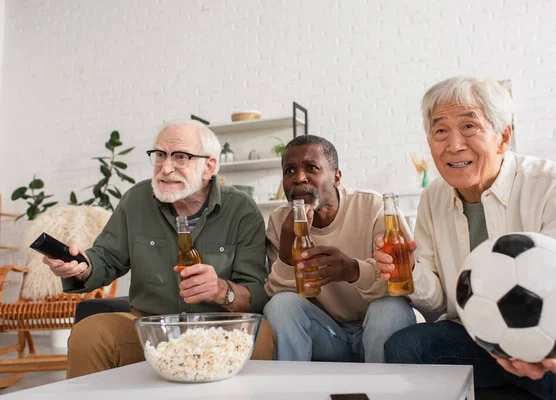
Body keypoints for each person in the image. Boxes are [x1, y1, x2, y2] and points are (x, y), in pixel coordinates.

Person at [375, 76, 556, 399]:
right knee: (406, 345)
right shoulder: (433, 198)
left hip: (543, 339)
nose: (454, 145)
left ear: (503, 137)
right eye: (440, 131)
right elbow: (438, 303)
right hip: (472, 335)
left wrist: (551, 346)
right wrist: (410, 272)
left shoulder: (552, 186)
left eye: (470, 127)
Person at [43, 119, 273, 378]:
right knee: (90, 332)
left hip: (218, 330)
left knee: (262, 335)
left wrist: (222, 291)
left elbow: (256, 291)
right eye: (160, 155)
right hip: (150, 329)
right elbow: (106, 257)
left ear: (209, 166)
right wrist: (81, 266)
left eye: (181, 157)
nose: (165, 168)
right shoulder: (136, 200)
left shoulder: (242, 209)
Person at [264, 135, 416, 363]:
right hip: (328, 335)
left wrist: (353, 270)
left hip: (376, 328)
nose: (299, 178)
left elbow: (403, 278)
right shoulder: (279, 222)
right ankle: (293, 389)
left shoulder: (374, 207)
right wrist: (288, 253)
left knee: (391, 307)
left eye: (311, 168)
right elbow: (277, 295)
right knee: (281, 305)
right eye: (289, 171)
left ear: (337, 177)